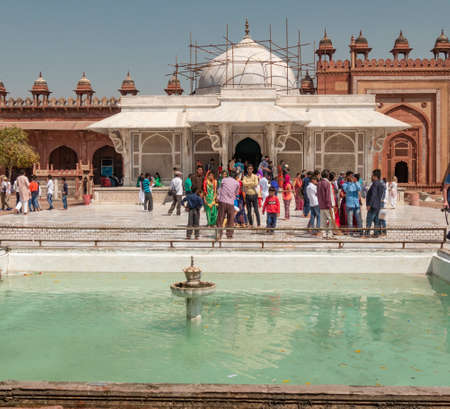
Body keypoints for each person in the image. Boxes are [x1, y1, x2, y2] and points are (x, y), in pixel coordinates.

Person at [216, 170, 240, 239]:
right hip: (230, 203)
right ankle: (229, 234)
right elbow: (236, 193)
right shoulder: (237, 183)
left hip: (222, 201)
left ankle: (219, 234)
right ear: (235, 176)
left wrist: (218, 197)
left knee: (220, 218)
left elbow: (219, 190)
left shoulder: (224, 180)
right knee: (230, 219)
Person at [365, 169, 384, 237]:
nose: (371, 177)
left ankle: (367, 234)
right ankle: (376, 233)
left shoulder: (375, 184)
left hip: (373, 205)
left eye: (372, 175)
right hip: (377, 205)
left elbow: (373, 195)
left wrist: (369, 204)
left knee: (369, 219)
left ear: (375, 176)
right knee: (376, 220)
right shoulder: (381, 184)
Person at [317, 169, 335, 239]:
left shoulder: (319, 183)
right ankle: (330, 234)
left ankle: (324, 234)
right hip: (327, 205)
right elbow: (328, 196)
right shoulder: (327, 183)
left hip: (321, 205)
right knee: (331, 219)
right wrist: (329, 205)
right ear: (327, 175)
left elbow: (318, 194)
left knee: (323, 220)